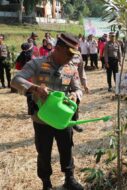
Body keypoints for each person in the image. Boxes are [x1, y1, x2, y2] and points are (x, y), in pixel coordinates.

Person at [11, 33, 84, 190]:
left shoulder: (70, 67)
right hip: (42, 118)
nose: (71, 58)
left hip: (63, 118)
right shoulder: (37, 63)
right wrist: (35, 88)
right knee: (44, 152)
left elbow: (78, 89)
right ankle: (46, 182)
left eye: (73, 55)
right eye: (68, 54)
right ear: (57, 48)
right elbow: (16, 80)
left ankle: (69, 179)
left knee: (66, 148)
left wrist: (74, 95)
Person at [70, 51, 89, 133]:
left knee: (76, 102)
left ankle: (74, 122)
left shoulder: (77, 55)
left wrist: (84, 84)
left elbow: (81, 70)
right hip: (64, 81)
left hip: (75, 81)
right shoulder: (62, 53)